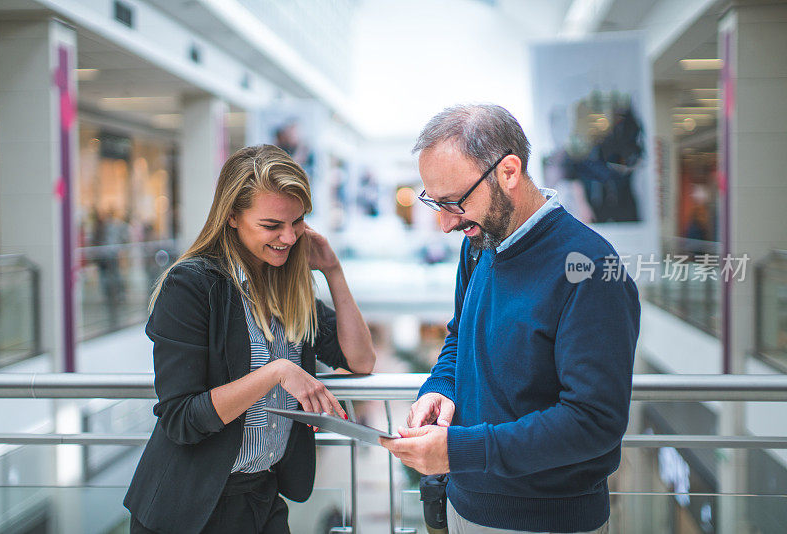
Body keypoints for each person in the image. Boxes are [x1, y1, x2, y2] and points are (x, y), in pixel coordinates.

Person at [381, 105, 640, 533]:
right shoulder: (480, 242)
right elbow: (460, 338)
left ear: (508, 171)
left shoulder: (588, 267)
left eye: (454, 202)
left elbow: (594, 422)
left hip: (548, 523)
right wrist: (441, 387)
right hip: (465, 506)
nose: (445, 223)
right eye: (435, 203)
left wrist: (456, 452)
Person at [124, 145, 376, 534]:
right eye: (271, 224)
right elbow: (181, 419)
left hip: (262, 497)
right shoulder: (191, 285)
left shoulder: (289, 284)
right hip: (190, 510)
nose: (289, 237)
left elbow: (361, 361)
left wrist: (333, 270)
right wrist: (276, 372)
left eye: (297, 222)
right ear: (231, 217)